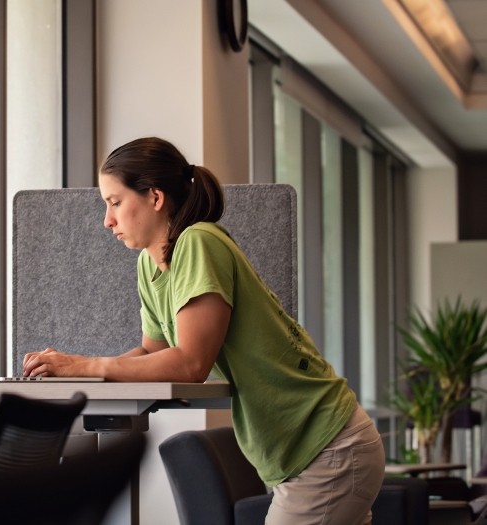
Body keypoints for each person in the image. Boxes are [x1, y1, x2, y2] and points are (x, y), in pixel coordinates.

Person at [23, 137, 385, 525]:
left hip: (327, 446)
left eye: (115, 202)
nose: (107, 220)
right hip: (311, 451)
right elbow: (151, 352)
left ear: (155, 197)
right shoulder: (150, 264)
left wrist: (84, 366)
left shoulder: (198, 242)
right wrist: (69, 369)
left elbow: (190, 363)